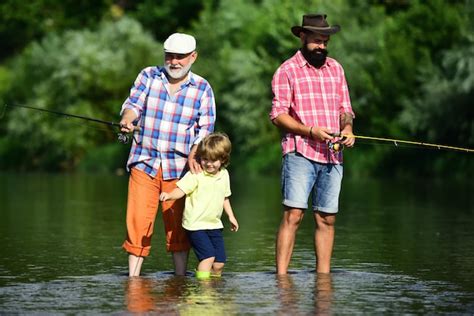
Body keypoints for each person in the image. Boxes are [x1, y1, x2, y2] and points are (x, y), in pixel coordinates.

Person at [119, 32, 216, 277]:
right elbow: (133, 105)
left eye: (180, 57)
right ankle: (133, 280)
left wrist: (196, 149)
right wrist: (127, 120)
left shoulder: (202, 88)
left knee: (178, 229)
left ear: (193, 57)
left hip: (182, 168)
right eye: (170, 56)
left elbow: (206, 128)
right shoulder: (148, 76)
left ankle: (180, 279)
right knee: (138, 222)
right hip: (145, 161)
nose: (174, 61)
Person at [269, 13, 355, 274]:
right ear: (302, 37)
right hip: (299, 152)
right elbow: (278, 115)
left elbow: (346, 108)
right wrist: (309, 131)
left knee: (327, 218)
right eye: (317, 41)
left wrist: (348, 128)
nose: (322, 47)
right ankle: (281, 278)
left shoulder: (336, 68)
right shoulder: (287, 70)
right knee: (293, 215)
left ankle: (323, 278)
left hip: (332, 156)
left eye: (325, 42)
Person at [160, 132, 239, 279]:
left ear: (223, 159)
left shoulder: (224, 175)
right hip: (196, 225)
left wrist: (231, 217)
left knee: (219, 263)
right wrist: (169, 195)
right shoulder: (196, 175)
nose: (209, 164)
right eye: (205, 159)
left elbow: (225, 198)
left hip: (214, 224)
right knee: (208, 258)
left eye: (214, 160)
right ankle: (203, 288)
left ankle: (214, 287)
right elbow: (181, 190)